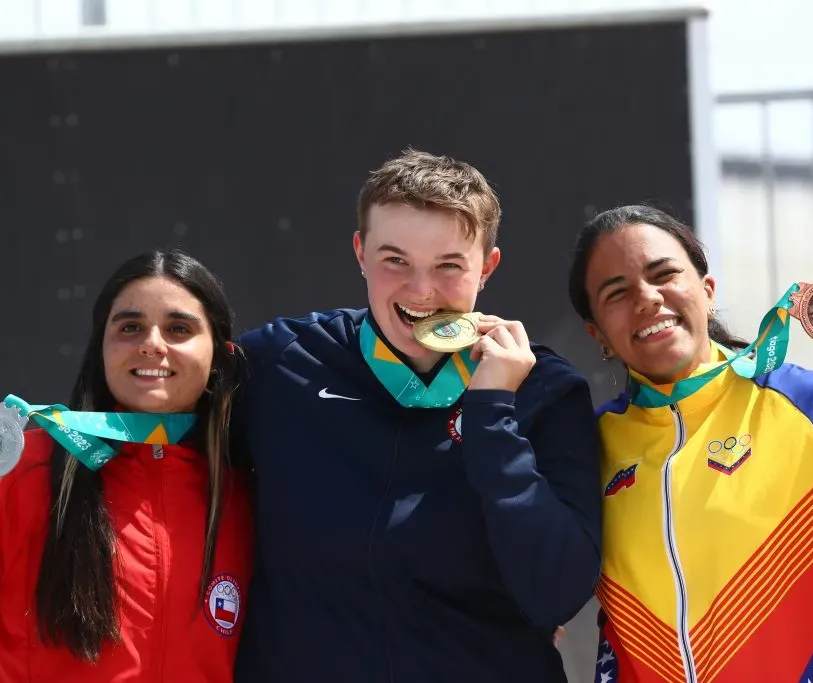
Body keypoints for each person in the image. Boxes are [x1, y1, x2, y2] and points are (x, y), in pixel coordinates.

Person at [232, 149, 602, 681]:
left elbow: (558, 594)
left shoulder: (543, 389)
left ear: (488, 266)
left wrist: (492, 412)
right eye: (394, 260)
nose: (421, 290)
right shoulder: (281, 362)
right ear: (360, 253)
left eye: (449, 265)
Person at [567, 204, 813, 683]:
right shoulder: (590, 447)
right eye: (616, 292)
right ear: (598, 333)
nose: (646, 299)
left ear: (707, 292)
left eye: (664, 274)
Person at [0, 250, 253, 682]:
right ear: (101, 349)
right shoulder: (19, 473)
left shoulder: (249, 488)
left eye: (179, 329)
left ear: (220, 354)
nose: (152, 343)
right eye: (130, 327)